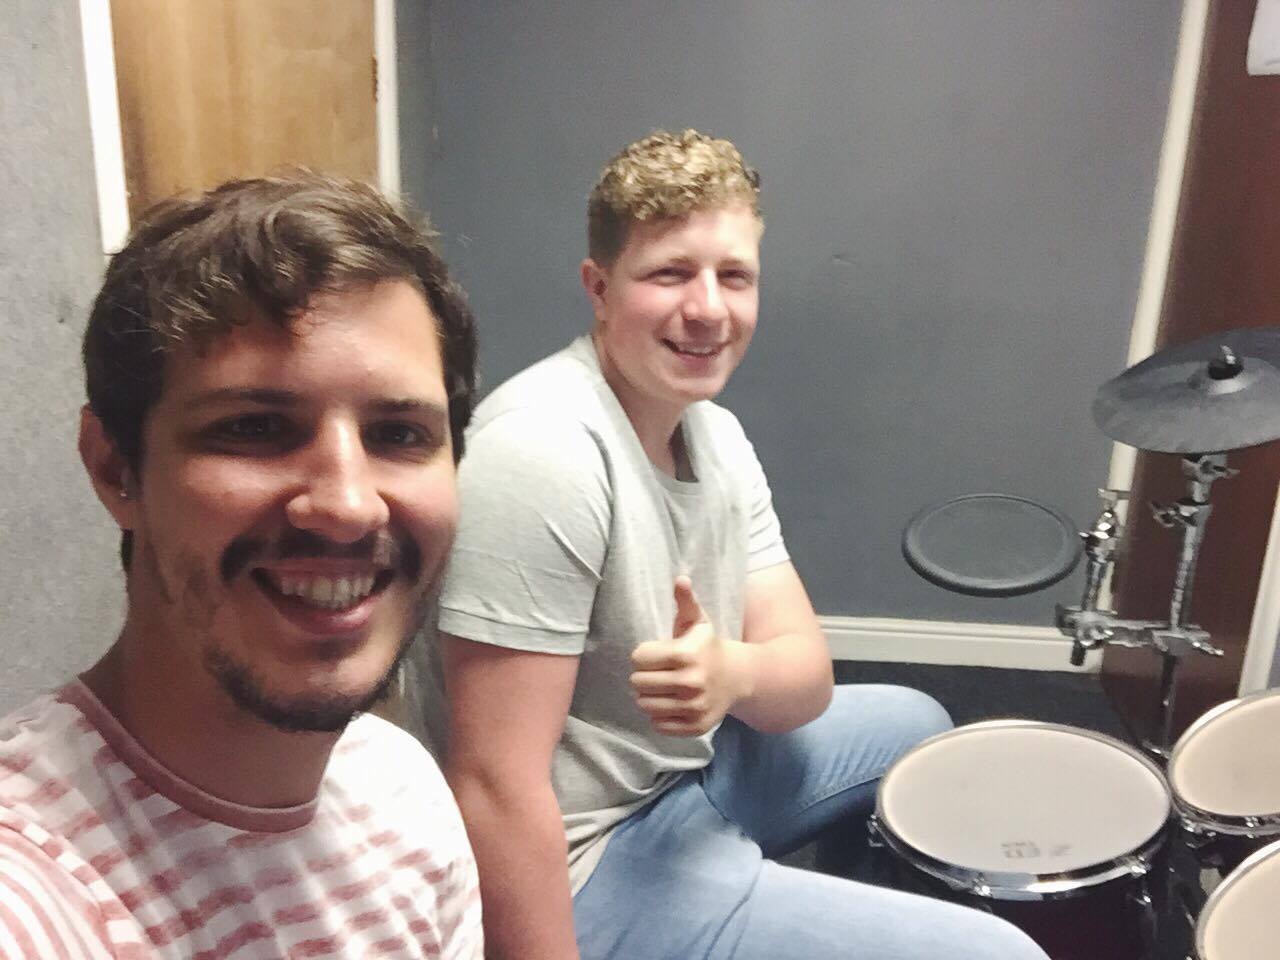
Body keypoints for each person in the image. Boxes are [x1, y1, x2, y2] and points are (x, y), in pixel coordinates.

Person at [417, 130, 1048, 958]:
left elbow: (805, 675)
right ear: (599, 289)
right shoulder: (543, 453)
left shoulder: (714, 436)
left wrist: (730, 674)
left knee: (917, 724)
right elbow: (494, 788)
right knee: (1004, 955)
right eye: (670, 273)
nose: (708, 308)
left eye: (734, 276)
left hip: (682, 775)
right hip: (586, 858)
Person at [0, 174, 484, 958]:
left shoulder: (404, 790)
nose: (348, 505)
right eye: (254, 427)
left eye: (399, 435)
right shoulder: (34, 894)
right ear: (116, 468)